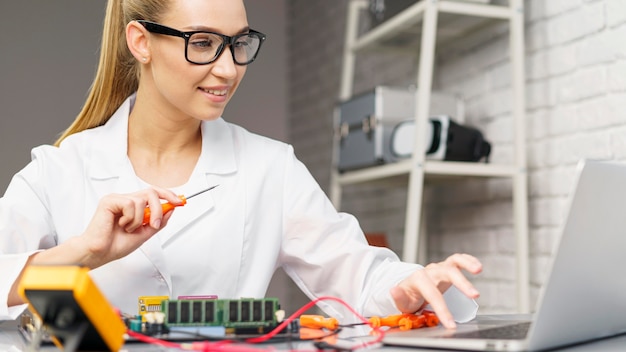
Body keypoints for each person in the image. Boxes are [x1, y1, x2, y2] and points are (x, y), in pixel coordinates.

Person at [0, 0, 482, 328]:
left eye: (239, 43)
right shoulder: (56, 172)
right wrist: (86, 253)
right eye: (204, 43)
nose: (229, 69)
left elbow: (357, 276)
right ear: (141, 42)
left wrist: (413, 284)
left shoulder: (270, 167)